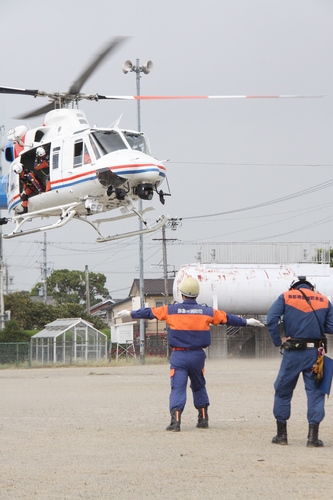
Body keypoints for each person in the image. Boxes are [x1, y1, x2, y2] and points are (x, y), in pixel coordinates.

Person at [115, 276, 264, 432]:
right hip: (198, 356)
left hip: (179, 356)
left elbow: (149, 313)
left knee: (178, 387)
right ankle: (203, 418)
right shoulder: (207, 311)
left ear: (182, 293)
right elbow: (227, 318)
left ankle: (175, 421)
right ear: (197, 294)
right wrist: (246, 322)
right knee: (199, 386)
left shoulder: (171, 310)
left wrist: (131, 313)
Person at [267, 276, 333, 447]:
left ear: (294, 287)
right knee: (316, 394)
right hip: (315, 354)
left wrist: (278, 341)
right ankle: (312, 438)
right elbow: (331, 327)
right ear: (311, 287)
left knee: (282, 391)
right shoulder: (324, 300)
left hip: (292, 353)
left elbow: (271, 319)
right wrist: (313, 326)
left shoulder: (286, 296)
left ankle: (282, 436)